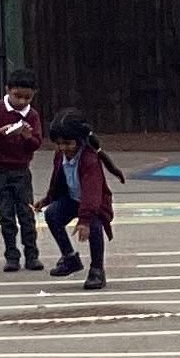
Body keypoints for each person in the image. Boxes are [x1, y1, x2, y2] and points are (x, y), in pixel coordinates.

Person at [42, 111, 119, 289]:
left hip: (95, 203)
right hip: (72, 199)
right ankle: (69, 258)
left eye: (68, 143)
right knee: (52, 214)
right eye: (59, 143)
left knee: (94, 226)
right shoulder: (60, 156)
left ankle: (97, 269)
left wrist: (84, 220)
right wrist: (48, 199)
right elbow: (57, 180)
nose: (63, 148)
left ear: (80, 141)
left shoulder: (89, 159)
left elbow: (92, 192)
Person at [0, 72, 45, 272]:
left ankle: (32, 254)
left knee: (26, 213)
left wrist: (27, 136)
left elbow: (36, 143)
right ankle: (11, 255)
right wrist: (1, 131)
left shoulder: (32, 115)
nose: (22, 101)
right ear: (8, 90)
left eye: (27, 97)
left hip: (21, 171)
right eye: (18, 96)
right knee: (6, 215)